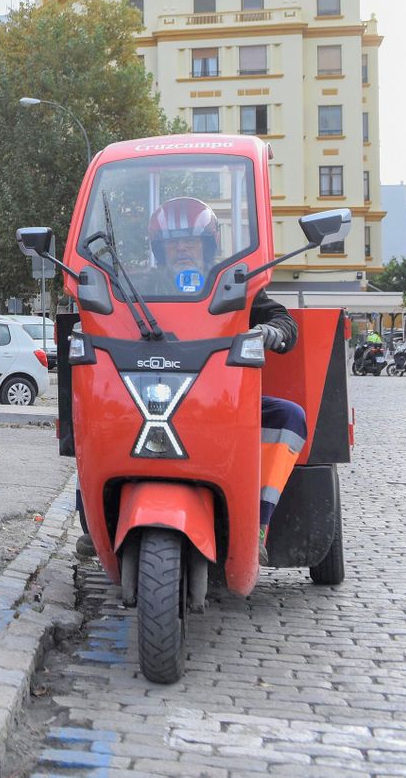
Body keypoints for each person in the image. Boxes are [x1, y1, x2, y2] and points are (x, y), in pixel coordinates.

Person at [147, 198, 305, 565]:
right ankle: (92, 520)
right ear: (160, 248)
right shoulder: (140, 284)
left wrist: (270, 330)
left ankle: (259, 522)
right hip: (156, 389)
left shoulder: (234, 283)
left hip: (224, 397)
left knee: (290, 417)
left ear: (208, 244)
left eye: (190, 241)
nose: (182, 248)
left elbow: (284, 320)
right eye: (173, 242)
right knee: (90, 412)